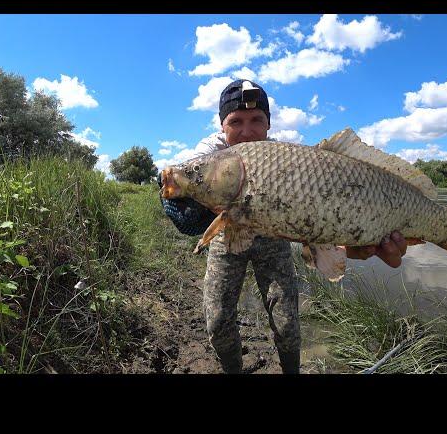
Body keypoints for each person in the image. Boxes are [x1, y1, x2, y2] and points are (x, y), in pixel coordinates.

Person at [159, 79, 409, 374]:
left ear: (268, 124)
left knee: (287, 321)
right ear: (221, 125)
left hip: (271, 235)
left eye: (257, 121)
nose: (247, 131)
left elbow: (315, 223)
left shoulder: (281, 160)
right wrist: (177, 199)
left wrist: (363, 249)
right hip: (228, 233)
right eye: (235, 121)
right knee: (218, 320)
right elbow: (178, 179)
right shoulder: (211, 153)